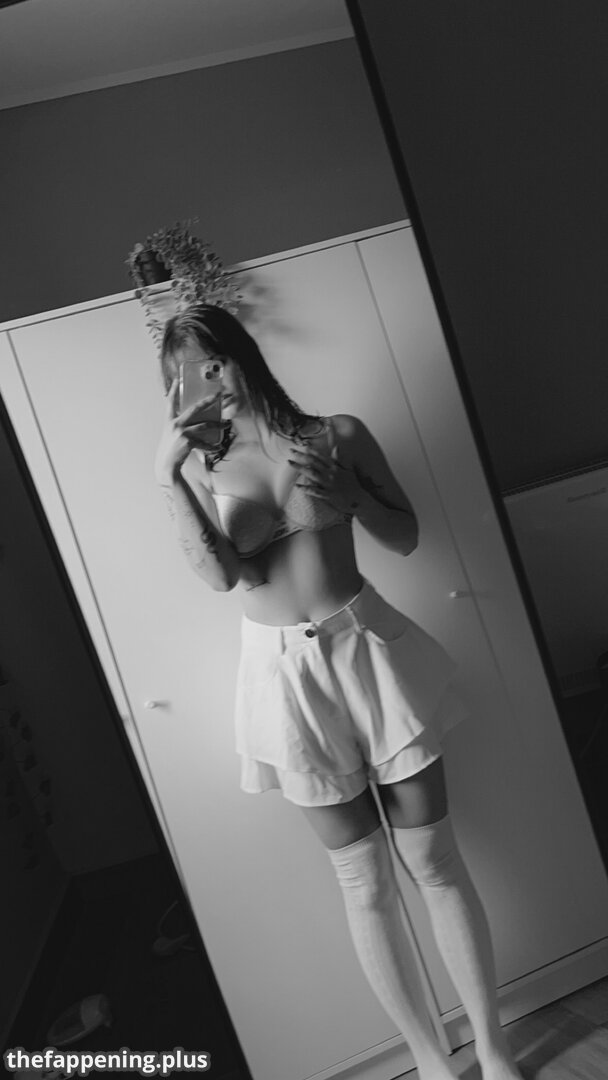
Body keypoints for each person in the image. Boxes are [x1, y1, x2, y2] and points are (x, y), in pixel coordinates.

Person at [154, 303, 524, 1080]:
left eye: (215, 361)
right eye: (189, 374)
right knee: (364, 882)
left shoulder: (337, 434)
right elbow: (222, 577)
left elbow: (406, 535)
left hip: (370, 651)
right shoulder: (203, 470)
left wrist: (350, 494)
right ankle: (430, 1060)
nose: (209, 382)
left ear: (243, 354)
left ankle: (492, 1050)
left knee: (435, 860)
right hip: (284, 680)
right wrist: (166, 474)